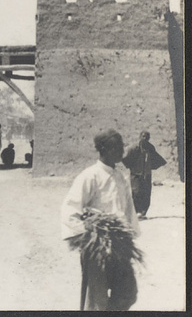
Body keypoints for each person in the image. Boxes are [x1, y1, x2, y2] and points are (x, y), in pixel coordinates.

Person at [61, 129, 140, 311]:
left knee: (128, 293)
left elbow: (129, 209)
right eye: (117, 147)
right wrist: (86, 233)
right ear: (104, 150)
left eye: (122, 146)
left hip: (120, 245)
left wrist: (130, 235)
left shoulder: (120, 177)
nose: (122, 151)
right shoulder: (90, 176)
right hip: (97, 247)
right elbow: (69, 208)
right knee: (97, 301)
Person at [122, 131, 167, 219]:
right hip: (136, 174)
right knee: (136, 192)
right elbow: (125, 158)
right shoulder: (134, 147)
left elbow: (155, 157)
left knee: (146, 193)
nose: (145, 138)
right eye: (143, 136)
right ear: (140, 137)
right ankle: (136, 212)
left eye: (147, 137)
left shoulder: (150, 148)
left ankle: (143, 213)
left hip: (147, 174)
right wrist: (131, 167)